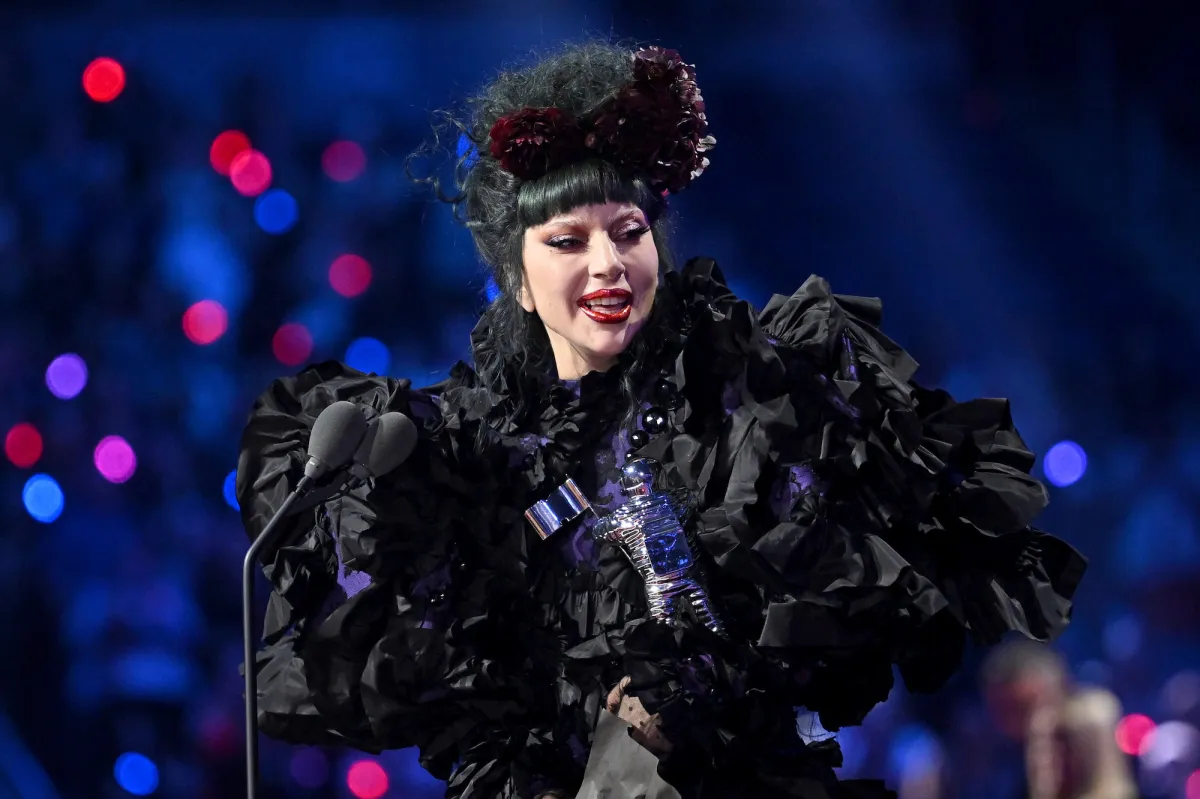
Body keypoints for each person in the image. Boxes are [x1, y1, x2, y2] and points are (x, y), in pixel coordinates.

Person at [236, 40, 1087, 799]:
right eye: (568, 240)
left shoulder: (753, 398)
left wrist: (704, 698)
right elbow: (438, 690)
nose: (608, 262)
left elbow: (866, 607)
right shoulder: (470, 457)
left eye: (629, 231)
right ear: (519, 282)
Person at [983, 641, 1137, 799]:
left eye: (1023, 709)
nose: (1012, 727)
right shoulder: (994, 764)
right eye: (1000, 711)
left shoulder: (1092, 720)